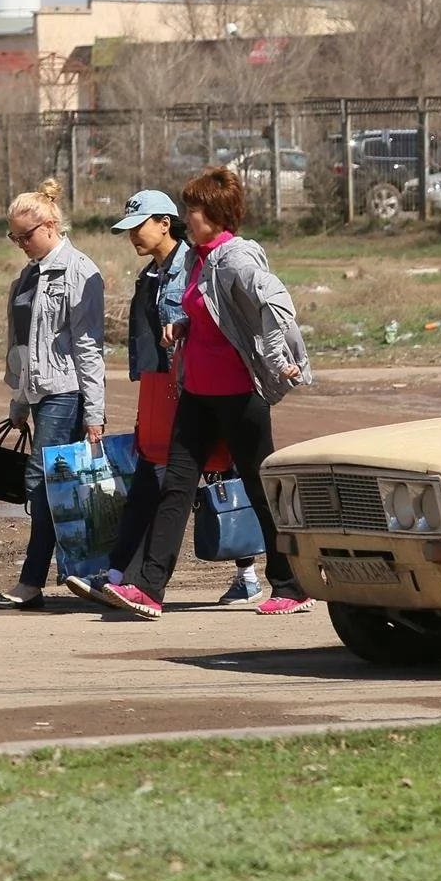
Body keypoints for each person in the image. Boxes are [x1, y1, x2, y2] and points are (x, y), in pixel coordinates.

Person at [101, 167, 315, 620]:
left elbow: (276, 305)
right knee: (176, 487)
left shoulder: (236, 258)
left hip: (239, 396)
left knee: (259, 488)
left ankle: (291, 586)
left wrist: (280, 357)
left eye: (194, 210)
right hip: (197, 394)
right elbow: (211, 311)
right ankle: (149, 588)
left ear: (215, 215)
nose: (187, 217)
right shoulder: (199, 257)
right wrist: (184, 324)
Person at [62, 190, 262, 607]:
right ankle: (122, 574)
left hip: (196, 386)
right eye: (129, 229)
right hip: (162, 388)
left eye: (139, 227)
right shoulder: (150, 274)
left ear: (165, 223)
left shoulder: (193, 266)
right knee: (159, 478)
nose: (133, 236)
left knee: (221, 477)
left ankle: (248, 573)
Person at [0, 179, 105, 610]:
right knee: (63, 485)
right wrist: (20, 400)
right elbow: (22, 345)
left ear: (51, 225)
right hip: (37, 393)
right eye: (14, 237)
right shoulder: (28, 275)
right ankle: (87, 572)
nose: (21, 244)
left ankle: (32, 581)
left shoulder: (79, 271)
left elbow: (88, 347)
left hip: (66, 391)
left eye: (26, 235)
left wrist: (94, 412)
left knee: (42, 482)